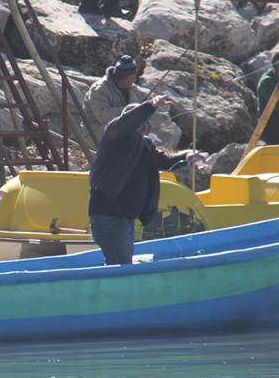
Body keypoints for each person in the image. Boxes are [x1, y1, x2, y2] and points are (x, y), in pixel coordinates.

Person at [88, 96, 206, 265]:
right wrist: (151, 105)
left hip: (125, 216)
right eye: (142, 122)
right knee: (119, 264)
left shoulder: (143, 145)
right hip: (109, 216)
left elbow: (163, 161)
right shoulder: (114, 136)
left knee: (122, 262)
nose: (146, 127)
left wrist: (187, 157)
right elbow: (128, 122)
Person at [85, 54, 138, 139]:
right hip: (94, 132)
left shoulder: (130, 88)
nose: (135, 79)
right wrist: (128, 109)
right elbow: (102, 116)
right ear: (125, 77)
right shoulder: (99, 89)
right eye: (133, 77)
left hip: (116, 129)